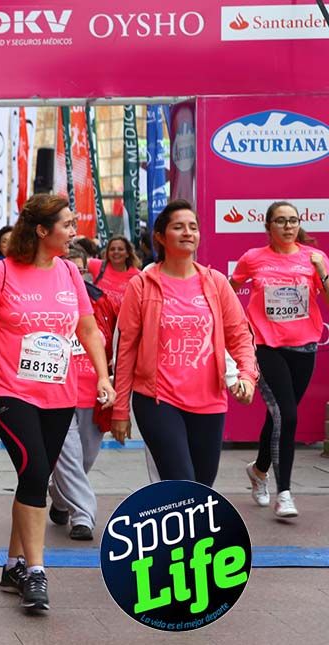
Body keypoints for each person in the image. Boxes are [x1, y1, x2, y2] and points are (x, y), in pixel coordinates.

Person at [0, 194, 113, 612]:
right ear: (42, 231)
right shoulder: (1, 273)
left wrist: (102, 376)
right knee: (36, 470)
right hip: (8, 390)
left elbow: (88, 329)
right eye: (65, 223)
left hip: (58, 392)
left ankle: (12, 565)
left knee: (33, 478)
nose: (73, 230)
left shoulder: (68, 272)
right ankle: (37, 572)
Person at [111, 200, 258, 487]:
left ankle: (176, 532)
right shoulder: (141, 285)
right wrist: (120, 409)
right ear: (160, 236)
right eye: (178, 227)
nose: (187, 233)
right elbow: (126, 348)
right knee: (181, 481)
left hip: (210, 401)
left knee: (202, 486)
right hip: (157, 399)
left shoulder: (215, 282)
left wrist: (247, 376)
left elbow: (239, 335)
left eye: (193, 227)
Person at [232, 201, 328, 519]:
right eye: (280, 221)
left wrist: (322, 272)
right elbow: (228, 291)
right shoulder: (253, 259)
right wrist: (237, 327)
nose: (287, 226)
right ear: (268, 226)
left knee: (280, 417)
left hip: (304, 347)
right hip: (266, 346)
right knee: (287, 416)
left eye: (292, 221)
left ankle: (259, 470)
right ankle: (284, 493)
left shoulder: (314, 258)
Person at [47, 243, 117, 541]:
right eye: (66, 267)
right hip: (56, 392)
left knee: (84, 459)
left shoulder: (105, 303)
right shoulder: (46, 301)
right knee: (69, 457)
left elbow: (117, 345)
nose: (73, 274)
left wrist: (113, 381)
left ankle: (59, 496)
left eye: (78, 268)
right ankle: (83, 516)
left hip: (94, 394)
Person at [87, 235, 141, 307]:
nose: (116, 252)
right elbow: (75, 263)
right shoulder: (98, 266)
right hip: (98, 317)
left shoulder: (138, 276)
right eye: (112, 249)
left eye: (120, 249)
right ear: (108, 253)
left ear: (128, 253)